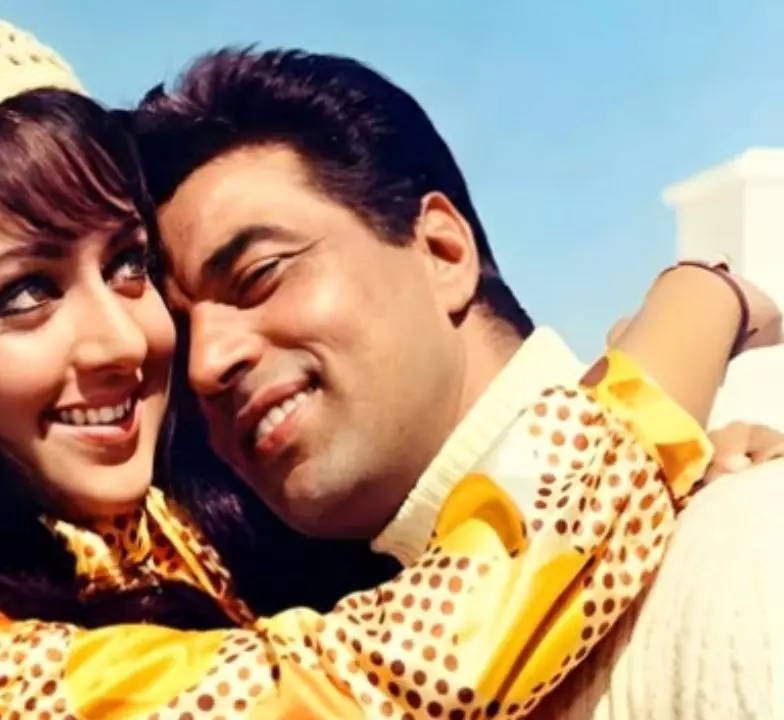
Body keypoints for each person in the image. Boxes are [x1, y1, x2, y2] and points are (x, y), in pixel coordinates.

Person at [0, 2, 777, 718]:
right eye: (23, 294)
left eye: (126, 265)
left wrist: (669, 470)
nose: (129, 339)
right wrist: (693, 314)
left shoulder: (188, 546)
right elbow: (379, 683)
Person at [131, 47, 784, 718]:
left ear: (443, 252)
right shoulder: (332, 656)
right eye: (181, 338)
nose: (205, 362)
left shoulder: (749, 558)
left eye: (260, 274)